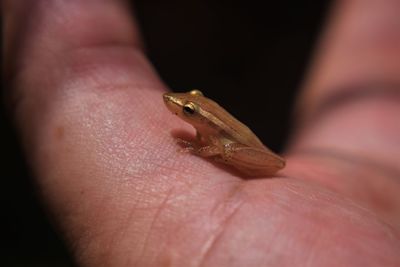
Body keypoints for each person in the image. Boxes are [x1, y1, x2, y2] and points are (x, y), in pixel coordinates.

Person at [3, 1, 400, 266]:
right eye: (188, 105)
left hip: (248, 152)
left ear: (199, 114)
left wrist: (210, 152)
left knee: (228, 148)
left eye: (189, 109)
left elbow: (232, 146)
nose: (179, 108)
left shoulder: (214, 134)